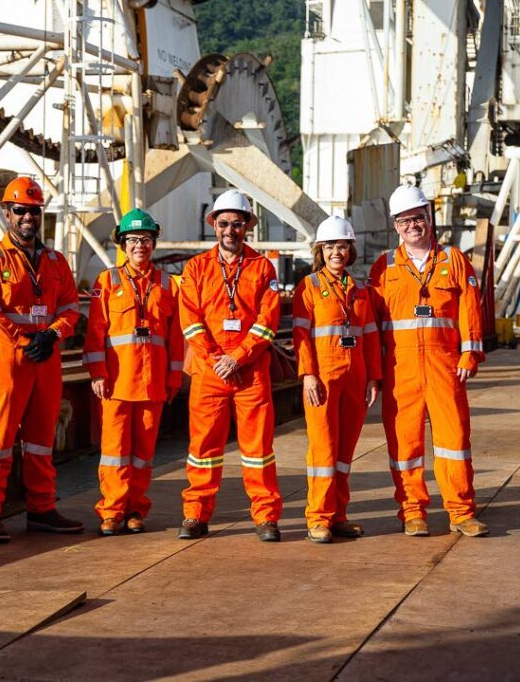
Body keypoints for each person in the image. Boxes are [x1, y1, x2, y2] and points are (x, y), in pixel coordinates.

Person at [368, 184, 489, 538]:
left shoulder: (453, 260)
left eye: (418, 218)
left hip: (444, 365)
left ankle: (461, 512)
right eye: (405, 221)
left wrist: (470, 352)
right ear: (396, 227)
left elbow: (470, 308)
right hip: (399, 369)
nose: (412, 226)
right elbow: (371, 323)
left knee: (454, 441)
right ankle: (412, 512)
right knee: (405, 446)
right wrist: (374, 373)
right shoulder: (384, 267)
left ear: (429, 218)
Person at [0, 176, 85, 543]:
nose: (27, 218)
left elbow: (70, 306)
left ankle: (41, 509)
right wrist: (25, 340)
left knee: (41, 439)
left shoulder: (55, 261)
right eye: (20, 211)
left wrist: (52, 334)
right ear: (7, 213)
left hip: (46, 357)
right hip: (7, 359)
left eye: (34, 212)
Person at [177, 189, 284, 542]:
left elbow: (268, 320)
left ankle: (266, 516)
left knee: (258, 449)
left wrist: (237, 358)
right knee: (203, 448)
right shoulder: (196, 268)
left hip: (249, 370)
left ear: (247, 227)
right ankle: (195, 514)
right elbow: (190, 320)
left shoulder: (262, 267)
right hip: (210, 370)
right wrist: (217, 359)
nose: (230, 231)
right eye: (223, 224)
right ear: (214, 226)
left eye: (237, 224)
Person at [84, 209, 183, 535]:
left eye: (145, 240)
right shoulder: (107, 281)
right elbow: (95, 332)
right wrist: (97, 373)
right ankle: (111, 511)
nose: (139, 245)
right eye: (133, 240)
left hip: (152, 382)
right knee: (114, 452)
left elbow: (175, 337)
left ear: (153, 243)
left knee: (142, 454)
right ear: (123, 245)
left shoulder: (168, 284)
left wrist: (173, 378)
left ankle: (135, 509)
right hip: (115, 383)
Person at [292, 216, 381, 543]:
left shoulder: (359, 290)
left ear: (350, 249)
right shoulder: (310, 286)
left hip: (355, 377)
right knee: (323, 450)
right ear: (321, 250)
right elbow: (300, 335)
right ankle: (318, 516)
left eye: (342, 245)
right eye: (330, 246)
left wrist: (374, 377)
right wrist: (308, 375)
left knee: (345, 451)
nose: (336, 252)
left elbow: (370, 335)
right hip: (323, 379)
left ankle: (339, 514)